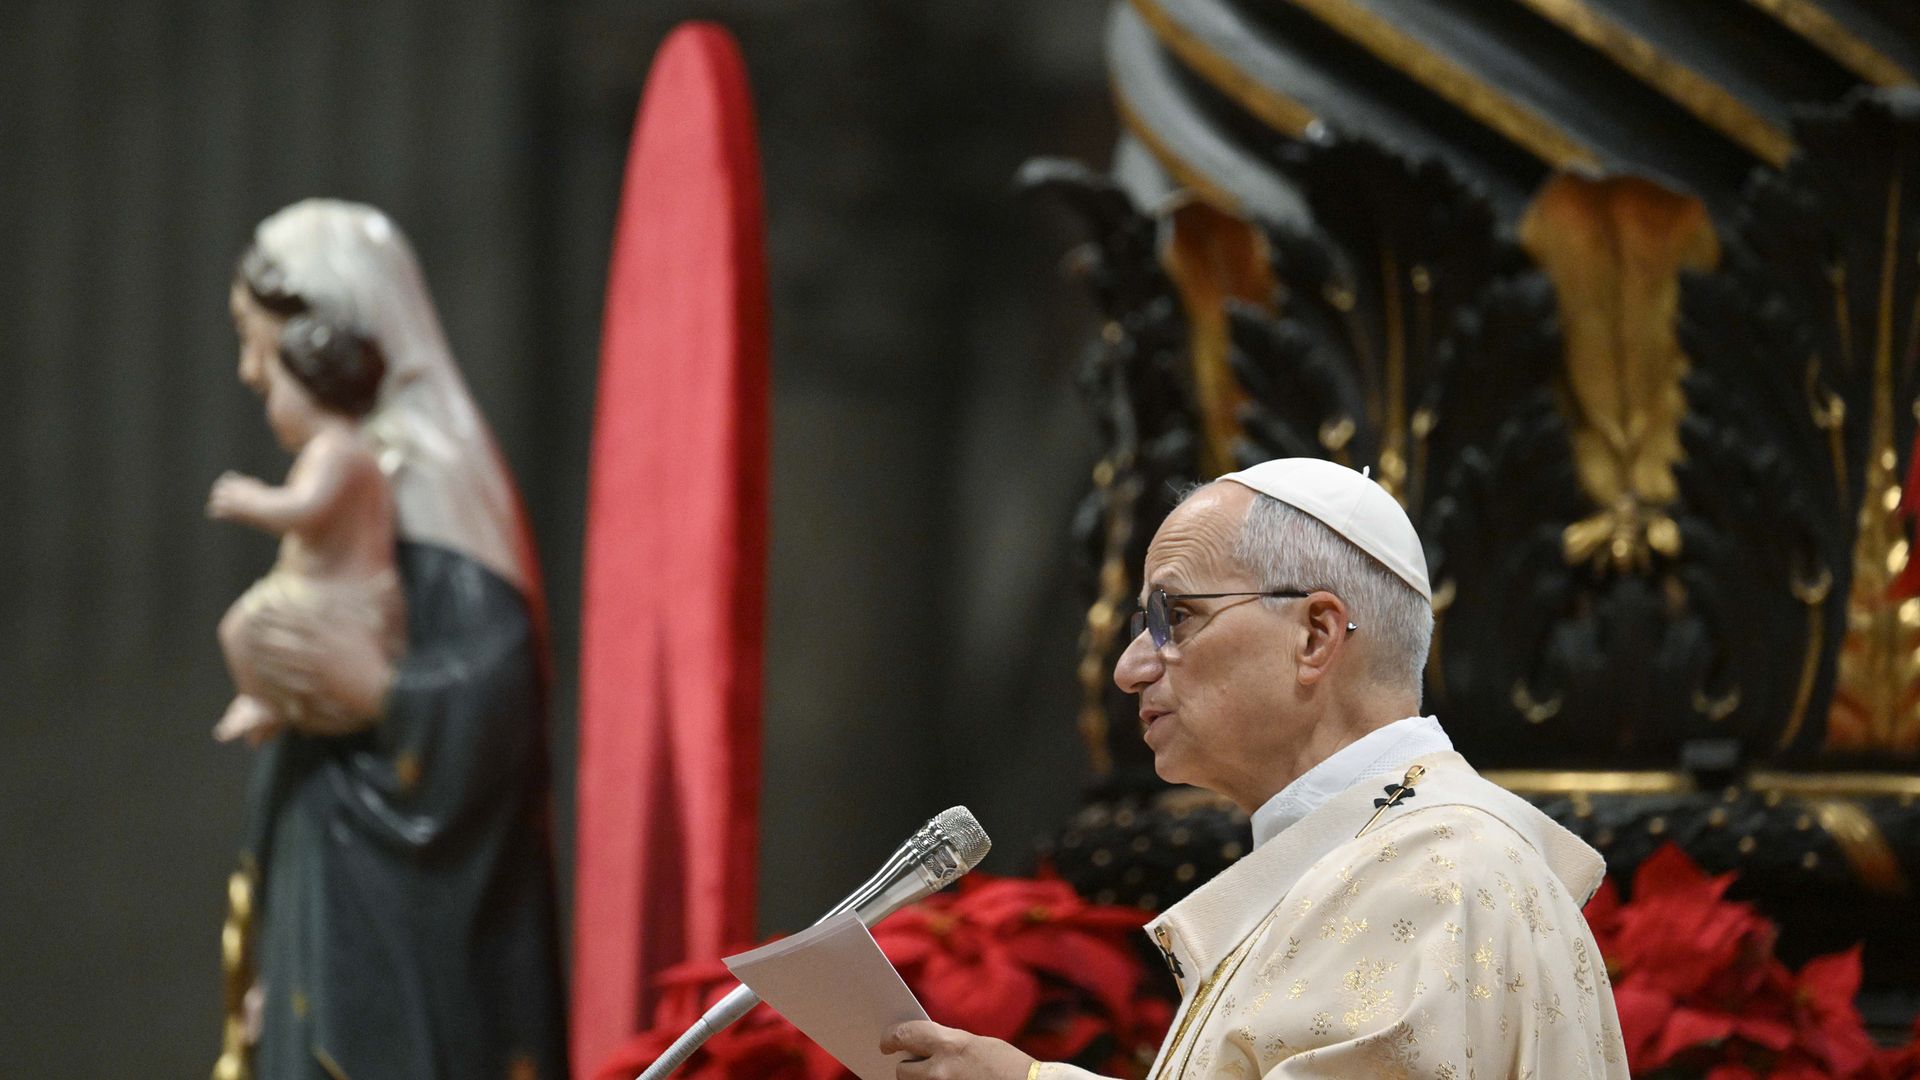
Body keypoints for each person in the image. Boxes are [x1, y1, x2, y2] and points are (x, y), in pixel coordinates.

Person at [883, 458, 1627, 1078]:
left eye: (1174, 618)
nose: (1129, 668)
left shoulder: (1433, 874)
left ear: (1315, 635)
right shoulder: (1373, 863)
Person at [211, 200, 566, 1080]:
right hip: (326, 853)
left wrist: (376, 693)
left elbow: (500, 698)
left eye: (262, 343)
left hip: (409, 898)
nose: (251, 372)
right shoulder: (350, 463)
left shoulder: (436, 478)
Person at [210, 284, 403, 747]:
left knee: (240, 626)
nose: (269, 403)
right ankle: (270, 699)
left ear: (309, 390)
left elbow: (307, 509)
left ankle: (268, 699)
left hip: (341, 600)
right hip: (313, 590)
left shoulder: (339, 451)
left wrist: (252, 500)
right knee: (239, 629)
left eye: (275, 389)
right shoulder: (338, 448)